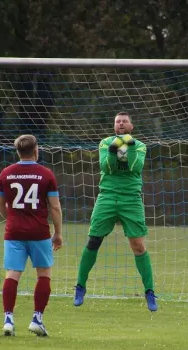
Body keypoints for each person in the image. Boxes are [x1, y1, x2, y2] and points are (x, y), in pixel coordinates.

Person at [73, 112, 157, 311]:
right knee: (94, 240)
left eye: (125, 121)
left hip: (131, 199)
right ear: (114, 126)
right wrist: (113, 150)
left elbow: (135, 168)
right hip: (107, 196)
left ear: (131, 126)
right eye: (118, 121)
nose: (121, 123)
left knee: (138, 245)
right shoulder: (105, 143)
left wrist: (128, 146)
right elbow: (106, 167)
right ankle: (80, 287)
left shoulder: (140, 146)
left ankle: (150, 293)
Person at [0, 134, 63, 337]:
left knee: (12, 274)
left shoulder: (6, 173)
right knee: (43, 275)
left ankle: (8, 319)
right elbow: (55, 207)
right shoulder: (46, 174)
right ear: (36, 150)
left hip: (14, 231)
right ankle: (37, 319)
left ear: (18, 151)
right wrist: (58, 233)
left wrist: (12, 219)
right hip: (39, 232)